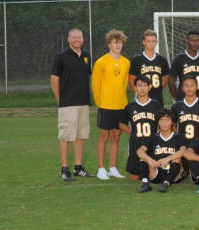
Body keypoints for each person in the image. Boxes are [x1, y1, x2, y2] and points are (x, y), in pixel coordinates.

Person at [50, 28, 94, 182]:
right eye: (74, 37)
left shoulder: (87, 56)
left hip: (83, 103)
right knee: (66, 136)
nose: (77, 39)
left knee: (81, 136)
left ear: (83, 39)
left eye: (79, 37)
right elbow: (54, 79)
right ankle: (64, 170)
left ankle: (78, 168)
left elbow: (87, 78)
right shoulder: (61, 57)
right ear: (68, 39)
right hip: (67, 104)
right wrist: (60, 100)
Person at [92, 29, 131, 180]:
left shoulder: (126, 62)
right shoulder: (101, 62)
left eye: (120, 42)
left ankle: (113, 168)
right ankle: (101, 169)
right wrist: (99, 102)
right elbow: (95, 85)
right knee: (103, 136)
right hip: (106, 106)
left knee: (116, 137)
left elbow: (126, 84)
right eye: (115, 42)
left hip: (121, 106)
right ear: (109, 44)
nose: (118, 45)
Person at [120, 76, 163, 181]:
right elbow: (121, 124)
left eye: (145, 86)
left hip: (152, 144)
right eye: (139, 86)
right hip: (136, 144)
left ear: (150, 87)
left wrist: (159, 133)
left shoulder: (156, 104)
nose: (142, 89)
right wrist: (132, 132)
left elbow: (164, 121)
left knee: (154, 175)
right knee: (134, 177)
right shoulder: (130, 106)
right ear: (134, 87)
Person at [136, 109, 186, 193]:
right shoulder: (154, 137)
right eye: (161, 120)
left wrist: (167, 159)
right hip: (156, 172)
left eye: (167, 120)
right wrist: (149, 159)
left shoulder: (178, 137)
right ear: (158, 122)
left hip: (173, 174)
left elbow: (183, 151)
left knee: (177, 158)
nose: (164, 123)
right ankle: (145, 183)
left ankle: (166, 183)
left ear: (172, 122)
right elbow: (139, 151)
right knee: (143, 157)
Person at [128, 30, 169, 105]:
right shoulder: (136, 60)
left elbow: (165, 81)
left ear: (157, 42)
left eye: (153, 41)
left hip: (157, 99)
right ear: (144, 42)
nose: (151, 44)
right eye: (148, 41)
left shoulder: (162, 60)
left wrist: (155, 90)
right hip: (141, 99)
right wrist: (138, 94)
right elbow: (131, 81)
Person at [169, 30, 199, 101]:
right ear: (187, 41)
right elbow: (171, 81)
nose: (195, 43)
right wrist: (176, 97)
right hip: (182, 97)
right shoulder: (179, 59)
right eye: (192, 40)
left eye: (197, 41)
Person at [171, 75, 199, 142]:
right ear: (182, 88)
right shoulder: (176, 106)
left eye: (192, 85)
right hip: (182, 145)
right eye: (186, 86)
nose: (189, 88)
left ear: (197, 87)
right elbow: (172, 126)